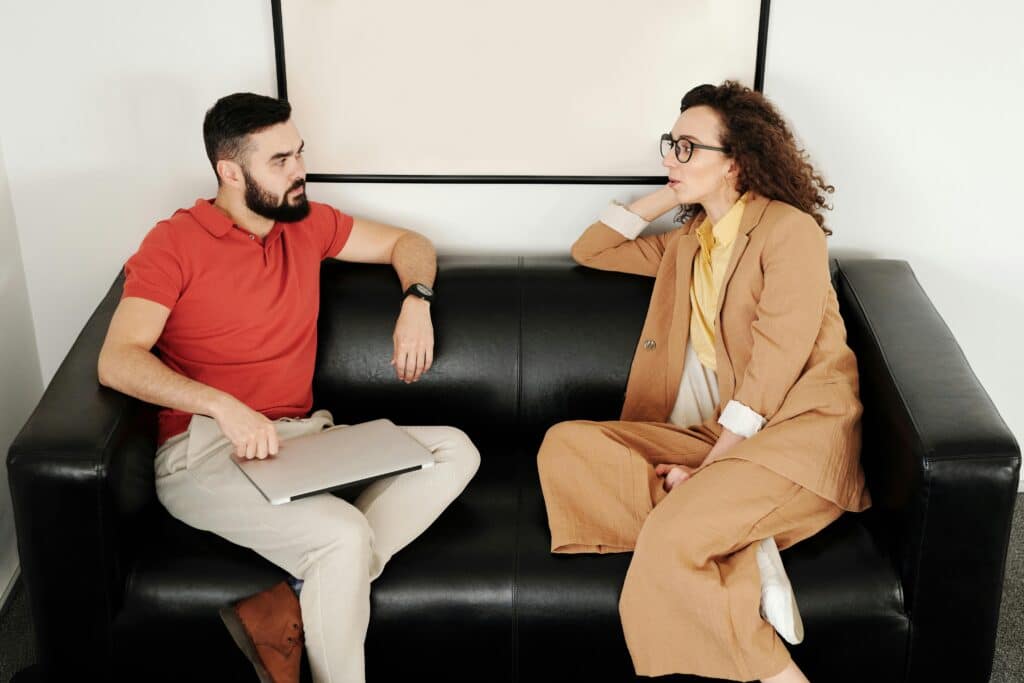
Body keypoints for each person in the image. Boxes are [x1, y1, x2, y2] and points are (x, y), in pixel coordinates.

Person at [97, 92, 480, 683]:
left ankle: (295, 596)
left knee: (456, 448)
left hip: (299, 440)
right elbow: (118, 361)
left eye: (298, 152)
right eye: (280, 161)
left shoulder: (308, 224)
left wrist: (417, 301)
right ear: (230, 171)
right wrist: (223, 405)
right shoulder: (172, 244)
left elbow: (410, 243)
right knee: (343, 536)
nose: (300, 170)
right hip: (205, 451)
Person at [536, 81, 870, 683]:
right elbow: (591, 249)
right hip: (722, 435)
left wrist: (709, 470)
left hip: (795, 441)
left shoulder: (788, 231)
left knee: (668, 542)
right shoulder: (689, 243)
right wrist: (668, 200)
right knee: (565, 445)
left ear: (736, 162)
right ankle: (748, 547)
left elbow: (775, 366)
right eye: (671, 143)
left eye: (687, 148)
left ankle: (776, 673)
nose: (669, 156)